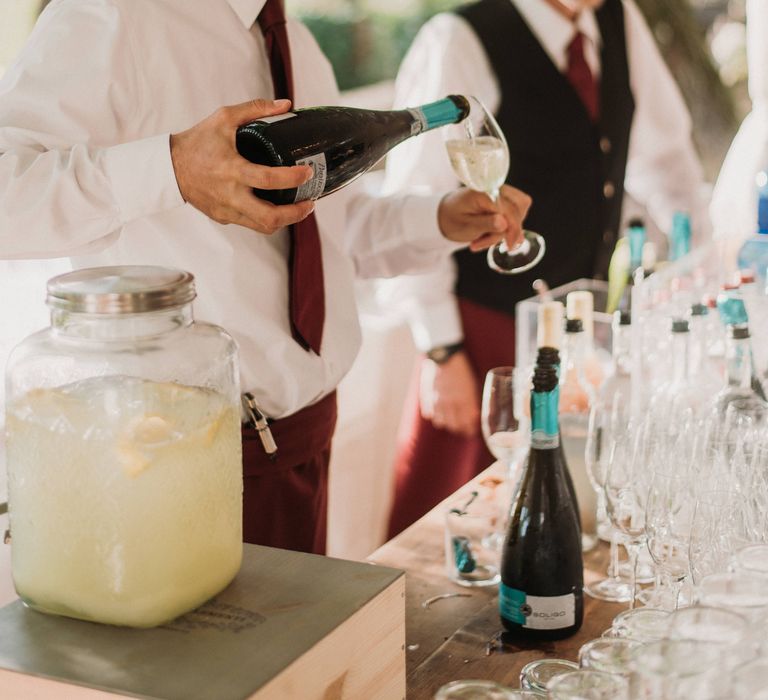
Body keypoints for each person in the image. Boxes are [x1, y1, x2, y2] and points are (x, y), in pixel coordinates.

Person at [0, 0, 533, 554]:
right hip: (181, 465)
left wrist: (437, 220)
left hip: (305, 445)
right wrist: (171, 168)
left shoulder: (297, 45)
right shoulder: (115, 15)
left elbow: (326, 236)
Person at [383, 0, 707, 538]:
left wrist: (696, 265)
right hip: (482, 340)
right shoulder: (459, 38)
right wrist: (442, 350)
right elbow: (415, 203)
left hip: (579, 337)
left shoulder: (617, 20)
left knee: (563, 522)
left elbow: (666, 160)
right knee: (452, 535)